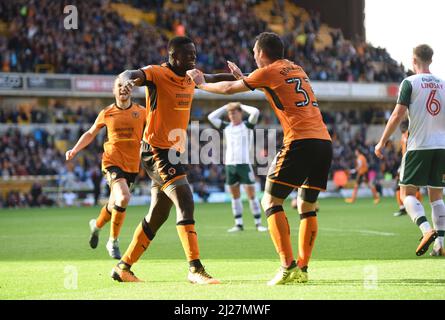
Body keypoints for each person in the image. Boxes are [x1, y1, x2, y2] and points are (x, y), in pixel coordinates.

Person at [187, 32, 333, 285]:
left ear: (261, 53)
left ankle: (287, 267)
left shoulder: (268, 71)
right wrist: (245, 77)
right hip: (323, 142)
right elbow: (268, 84)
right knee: (307, 205)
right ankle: (303, 269)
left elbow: (229, 89)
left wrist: (200, 82)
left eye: (255, 53)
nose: (254, 57)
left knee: (270, 200)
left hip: (300, 140)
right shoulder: (296, 68)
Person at [111, 36, 235, 284]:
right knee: (185, 200)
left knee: (158, 214)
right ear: (173, 56)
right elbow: (130, 73)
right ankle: (195, 269)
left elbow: (211, 79)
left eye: (194, 54)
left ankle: (123, 267)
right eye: (188, 54)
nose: (193, 58)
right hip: (156, 149)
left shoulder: (191, 76)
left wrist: (242, 77)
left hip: (173, 151)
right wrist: (126, 82)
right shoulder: (157, 73)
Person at [375, 44, 445, 256]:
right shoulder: (443, 83)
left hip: (418, 146)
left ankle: (426, 230)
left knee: (406, 193)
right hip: (442, 146)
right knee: (437, 195)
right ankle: (440, 244)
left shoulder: (410, 82)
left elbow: (397, 115)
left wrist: (382, 141)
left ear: (413, 61)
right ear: (431, 60)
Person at [66, 79, 146, 259]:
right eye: (119, 86)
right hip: (112, 162)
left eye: (126, 86)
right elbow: (90, 133)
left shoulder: (141, 112)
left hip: (132, 165)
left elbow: (152, 132)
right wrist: (75, 150)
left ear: (130, 91)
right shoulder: (107, 113)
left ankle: (96, 226)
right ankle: (113, 241)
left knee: (113, 206)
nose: (122, 89)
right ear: (113, 91)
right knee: (124, 197)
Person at [208, 102, 267, 232]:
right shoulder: (227, 127)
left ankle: (258, 223)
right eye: (230, 113)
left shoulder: (247, 126)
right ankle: (238, 224)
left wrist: (240, 105)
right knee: (235, 196)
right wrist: (225, 106)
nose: (232, 115)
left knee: (251, 194)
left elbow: (255, 112)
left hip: (244, 164)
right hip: (230, 165)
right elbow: (211, 117)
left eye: (234, 112)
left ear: (240, 113)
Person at [393, 121, 423, 217]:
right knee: (414, 186)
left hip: (407, 163)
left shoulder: (405, 136)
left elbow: (406, 151)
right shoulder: (412, 135)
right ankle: (414, 206)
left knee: (400, 187)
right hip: (412, 162)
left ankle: (406, 208)